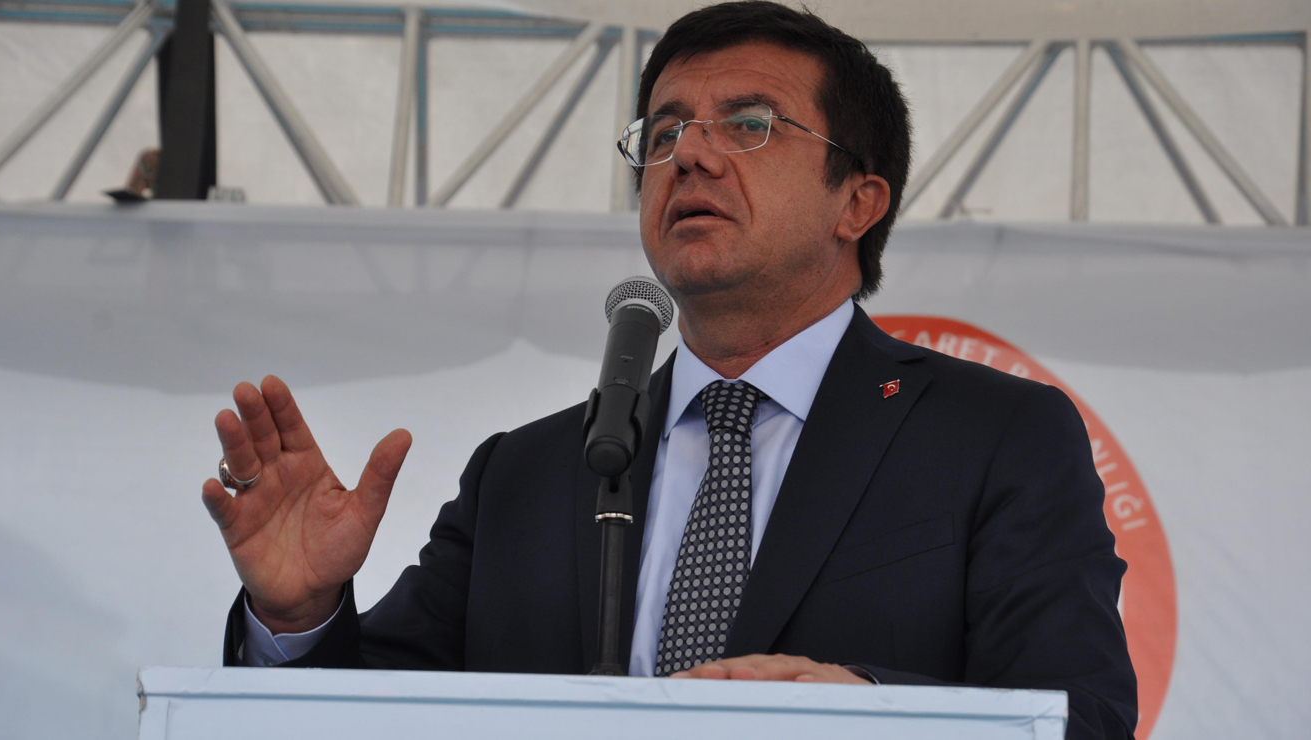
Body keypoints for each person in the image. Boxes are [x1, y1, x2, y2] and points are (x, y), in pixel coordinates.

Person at [201, 3, 1136, 738]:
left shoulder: (993, 437)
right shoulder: (523, 476)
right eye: (662, 133)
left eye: (750, 124)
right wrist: (300, 617)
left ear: (857, 202)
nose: (687, 153)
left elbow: (1079, 715)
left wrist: (867, 709)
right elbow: (367, 718)